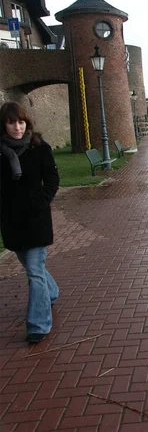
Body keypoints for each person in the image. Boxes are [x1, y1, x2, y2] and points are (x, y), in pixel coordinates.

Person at [0, 102, 60, 343]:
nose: (17, 127)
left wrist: (42, 200)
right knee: (32, 268)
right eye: (12, 122)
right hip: (12, 221)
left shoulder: (39, 147)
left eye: (21, 122)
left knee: (34, 272)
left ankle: (38, 325)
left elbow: (53, 178)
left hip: (35, 219)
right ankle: (52, 292)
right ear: (4, 124)